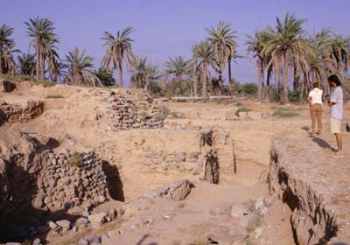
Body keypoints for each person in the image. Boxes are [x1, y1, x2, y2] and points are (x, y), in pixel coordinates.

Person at [328, 74, 344, 153]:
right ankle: (339, 147)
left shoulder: (337, 90)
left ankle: (339, 149)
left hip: (335, 114)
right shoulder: (338, 89)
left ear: (332, 81)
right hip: (337, 114)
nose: (329, 83)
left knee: (337, 132)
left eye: (330, 82)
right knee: (336, 131)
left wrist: (329, 101)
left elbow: (332, 103)